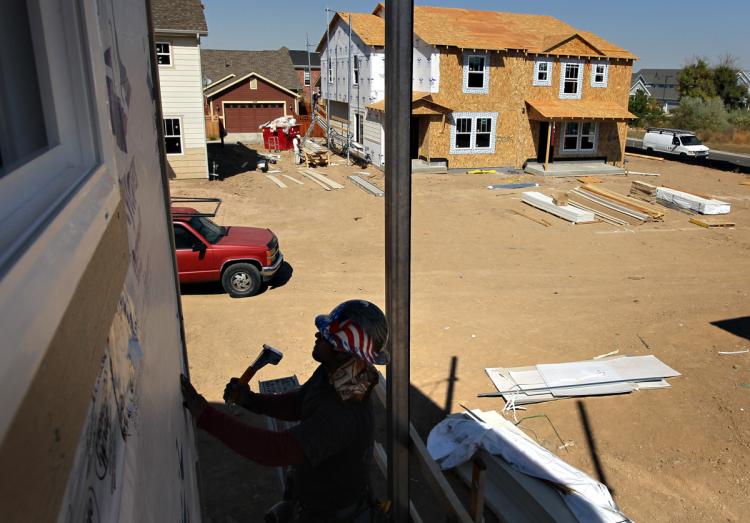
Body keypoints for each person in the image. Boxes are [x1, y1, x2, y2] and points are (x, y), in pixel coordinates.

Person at [181, 300, 389, 523]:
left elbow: (274, 450)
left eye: (326, 336)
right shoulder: (336, 373)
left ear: (342, 348)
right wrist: (250, 400)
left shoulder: (344, 413)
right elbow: (299, 404)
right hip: (309, 497)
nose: (317, 336)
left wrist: (206, 414)